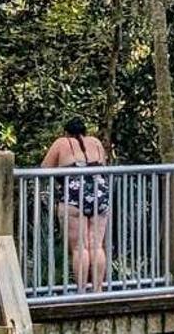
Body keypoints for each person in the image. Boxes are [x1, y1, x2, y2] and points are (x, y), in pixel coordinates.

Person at [40, 119, 111, 293]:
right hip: (100, 193)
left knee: (80, 247)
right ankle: (98, 290)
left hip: (74, 194)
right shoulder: (96, 142)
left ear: (66, 132)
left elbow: (44, 168)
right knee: (96, 245)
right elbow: (103, 165)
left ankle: (81, 291)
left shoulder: (61, 143)